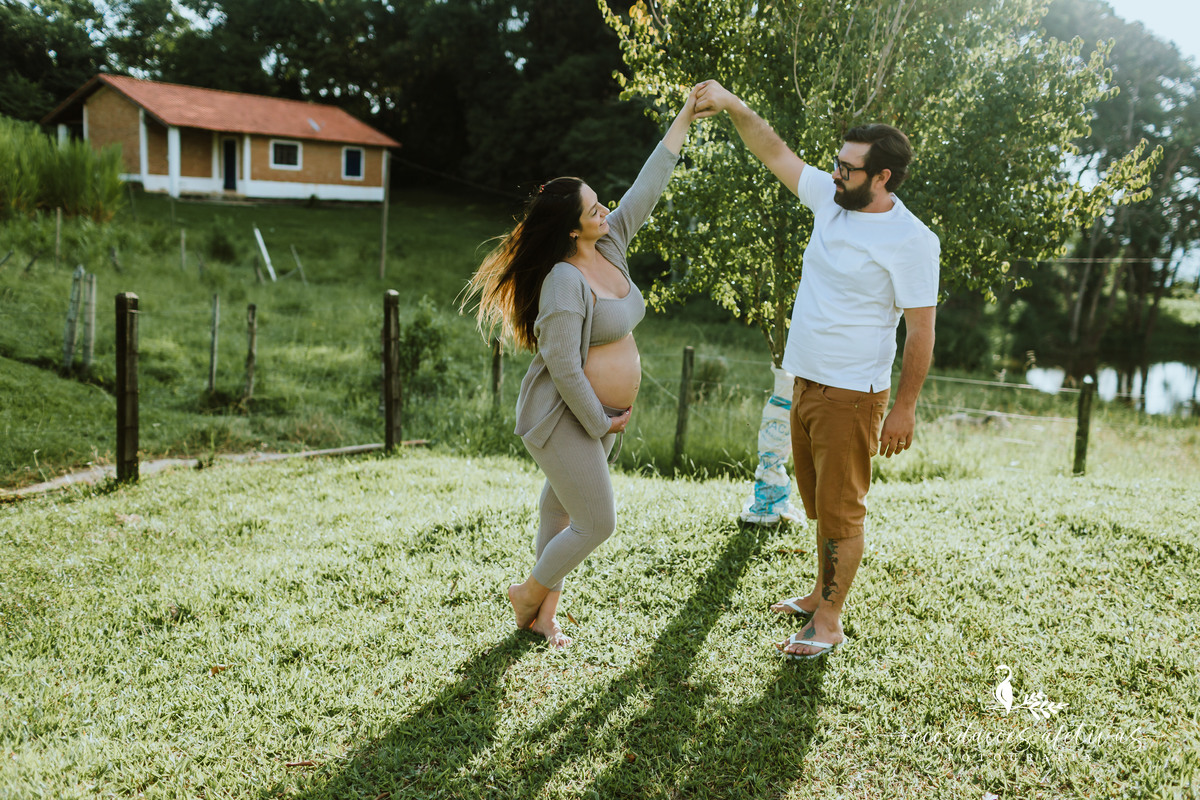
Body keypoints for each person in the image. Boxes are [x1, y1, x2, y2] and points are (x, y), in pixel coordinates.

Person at [693, 81, 939, 660]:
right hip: (804, 383)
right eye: (835, 163)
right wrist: (732, 103)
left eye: (849, 169)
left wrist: (903, 408)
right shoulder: (831, 199)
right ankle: (818, 594)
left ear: (882, 178)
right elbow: (773, 150)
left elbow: (922, 331)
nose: (835, 174)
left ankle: (828, 621)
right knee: (819, 504)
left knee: (841, 510)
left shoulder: (911, 240)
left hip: (852, 396)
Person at [463, 86, 703, 649]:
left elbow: (650, 183)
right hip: (566, 417)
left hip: (603, 415)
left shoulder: (611, 245)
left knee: (560, 511)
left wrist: (685, 117)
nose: (606, 208)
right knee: (596, 523)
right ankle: (528, 593)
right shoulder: (564, 281)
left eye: (601, 202)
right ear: (573, 229)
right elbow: (564, 368)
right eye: (594, 208)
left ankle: (543, 617)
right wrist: (600, 421)